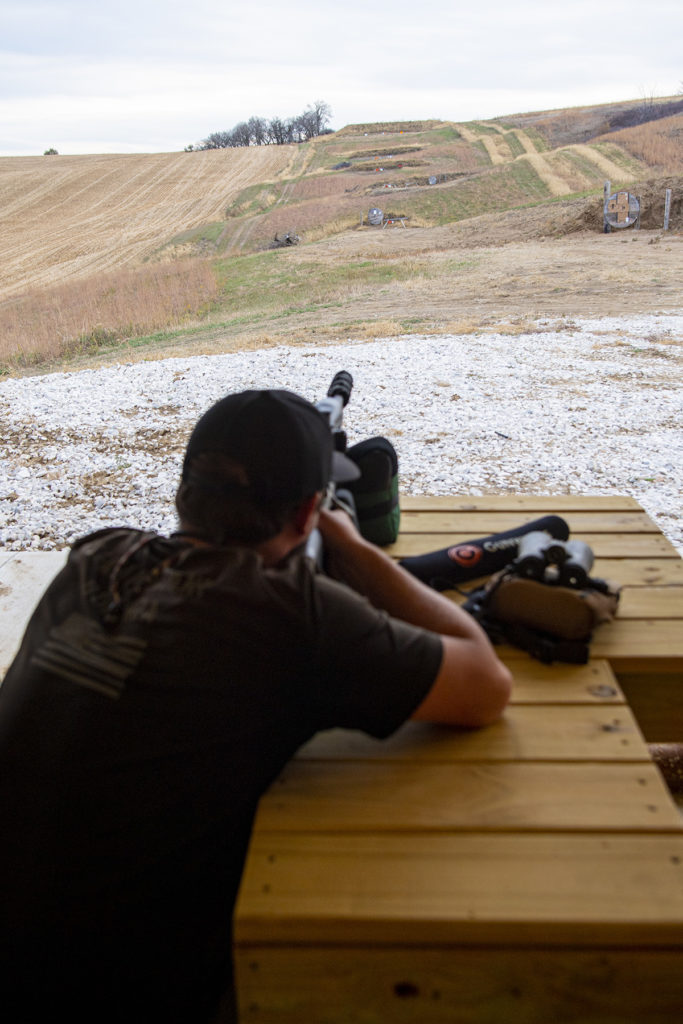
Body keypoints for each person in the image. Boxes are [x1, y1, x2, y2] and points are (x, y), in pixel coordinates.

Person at [0, 388, 512, 1023]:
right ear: (306, 513)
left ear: (185, 493)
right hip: (117, 994)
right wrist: (350, 544)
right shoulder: (288, 614)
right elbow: (486, 683)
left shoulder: (96, 557)